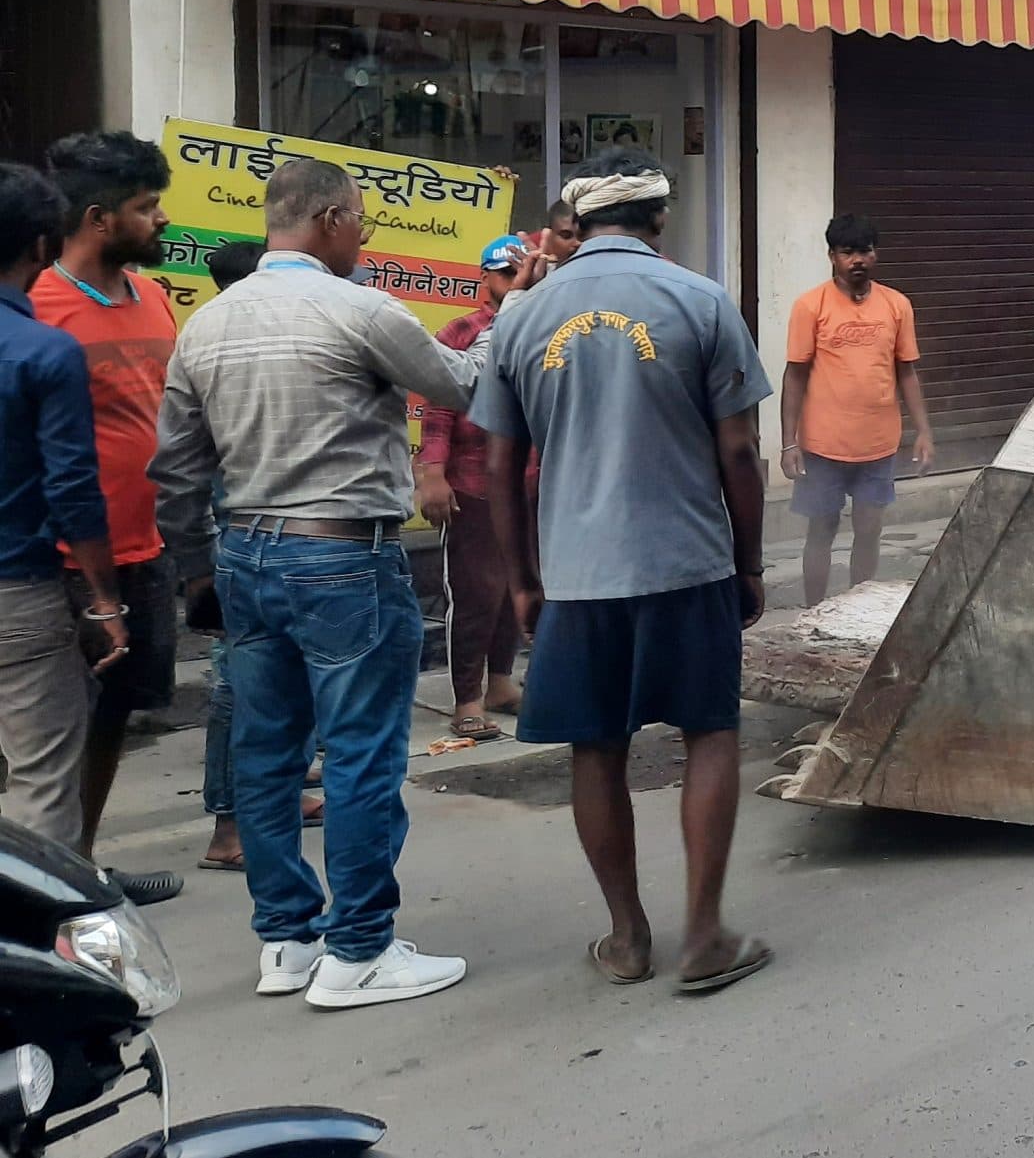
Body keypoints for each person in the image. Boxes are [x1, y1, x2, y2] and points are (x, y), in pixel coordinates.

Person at [152, 157, 534, 1009]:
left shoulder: (208, 324)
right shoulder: (359, 306)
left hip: (245, 551)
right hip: (340, 555)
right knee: (360, 751)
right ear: (328, 218)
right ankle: (359, 948)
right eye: (360, 219)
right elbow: (469, 382)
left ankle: (286, 941)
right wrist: (508, 308)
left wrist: (196, 571)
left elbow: (174, 472)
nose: (365, 235)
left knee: (268, 751)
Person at [474, 148, 774, 993]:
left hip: (576, 573)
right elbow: (741, 449)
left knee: (594, 748)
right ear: (658, 217)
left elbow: (500, 467)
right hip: (686, 562)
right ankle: (706, 934)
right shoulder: (700, 299)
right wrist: (748, 563)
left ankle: (629, 936)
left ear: (581, 218)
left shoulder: (525, 317)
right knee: (709, 731)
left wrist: (525, 579)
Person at [32, 134, 184, 905]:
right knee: (50, 733)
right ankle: (39, 884)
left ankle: (80, 864)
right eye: (145, 207)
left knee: (117, 715)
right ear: (97, 218)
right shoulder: (37, 305)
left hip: (148, 545)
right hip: (62, 559)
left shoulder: (154, 297)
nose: (161, 220)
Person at [0, 165, 130, 857]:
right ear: (42, 247)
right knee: (41, 784)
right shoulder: (46, 350)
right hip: (17, 593)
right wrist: (105, 598)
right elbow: (73, 488)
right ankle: (31, 943)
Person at [193, 238, 325, 877]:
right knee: (237, 685)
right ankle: (227, 823)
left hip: (272, 534)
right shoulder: (216, 349)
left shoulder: (227, 344)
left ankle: (282, 791)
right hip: (239, 537)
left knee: (284, 669)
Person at [780, 214, 932, 603]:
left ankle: (856, 609)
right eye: (847, 253)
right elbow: (794, 376)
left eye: (864, 251)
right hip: (822, 445)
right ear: (832, 256)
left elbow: (907, 373)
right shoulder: (810, 306)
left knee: (869, 530)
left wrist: (924, 432)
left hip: (878, 444)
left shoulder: (897, 305)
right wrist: (788, 443)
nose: (857, 260)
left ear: (875, 254)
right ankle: (813, 612)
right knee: (821, 530)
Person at [417, 236, 531, 743]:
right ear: (486, 277)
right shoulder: (462, 331)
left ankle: (502, 683)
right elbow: (438, 408)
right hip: (471, 482)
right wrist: (433, 473)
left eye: (521, 272)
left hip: (529, 481)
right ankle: (467, 698)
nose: (513, 283)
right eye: (504, 274)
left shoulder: (542, 328)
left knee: (517, 588)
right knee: (474, 594)